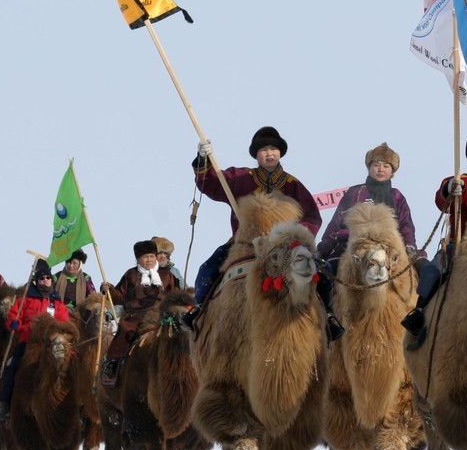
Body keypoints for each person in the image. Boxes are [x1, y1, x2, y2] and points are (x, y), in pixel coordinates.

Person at [188, 126, 341, 338]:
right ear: (256, 154)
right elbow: (213, 184)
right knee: (208, 268)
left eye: (273, 149)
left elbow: (312, 217)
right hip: (243, 242)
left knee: (321, 272)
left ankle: (329, 316)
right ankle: (199, 310)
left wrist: (297, 234)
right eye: (264, 150)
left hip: (285, 245)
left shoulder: (293, 185)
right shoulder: (240, 178)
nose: (269, 154)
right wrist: (203, 160)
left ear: (280, 153)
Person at [401, 131, 467, 340]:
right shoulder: (461, 181)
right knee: (432, 270)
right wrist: (450, 189)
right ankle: (420, 311)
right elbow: (442, 200)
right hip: (459, 245)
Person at [316, 143, 424, 329]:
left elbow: (406, 226)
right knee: (325, 274)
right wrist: (322, 250)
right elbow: (335, 224)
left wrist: (410, 246)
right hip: (352, 249)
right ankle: (329, 319)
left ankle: (419, 316)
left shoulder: (397, 196)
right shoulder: (354, 193)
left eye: (386, 166)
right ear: (369, 167)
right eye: (376, 164)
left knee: (426, 272)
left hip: (391, 251)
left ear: (392, 171)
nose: (380, 169)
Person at [0, 259, 70, 422]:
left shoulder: (57, 302)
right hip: (28, 342)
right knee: (13, 367)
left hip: (50, 344)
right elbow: (14, 316)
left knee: (68, 367)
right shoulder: (25, 299)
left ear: (51, 280)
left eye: (47, 278)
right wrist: (15, 324)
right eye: (41, 278)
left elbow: (64, 322)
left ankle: (73, 406)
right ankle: (4, 404)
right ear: (36, 280)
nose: (45, 281)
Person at [99, 239, 179, 385]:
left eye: (152, 256)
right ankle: (113, 363)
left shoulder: (167, 275)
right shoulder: (131, 275)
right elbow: (119, 297)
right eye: (145, 257)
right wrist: (108, 289)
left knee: (178, 331)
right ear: (138, 259)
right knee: (125, 330)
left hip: (161, 314)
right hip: (135, 315)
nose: (149, 260)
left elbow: (175, 294)